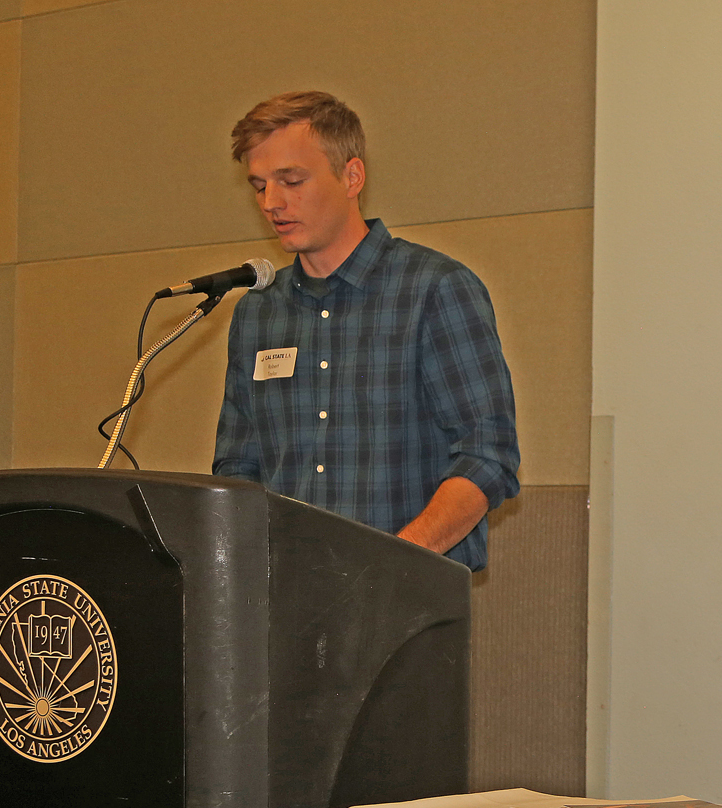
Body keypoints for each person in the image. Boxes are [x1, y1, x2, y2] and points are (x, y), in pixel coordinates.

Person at [213, 91, 519, 570]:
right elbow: (237, 470)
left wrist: (392, 562)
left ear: (352, 176)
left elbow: (486, 457)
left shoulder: (434, 290)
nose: (272, 203)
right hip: (282, 599)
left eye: (292, 180)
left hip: (404, 599)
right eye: (259, 186)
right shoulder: (257, 313)